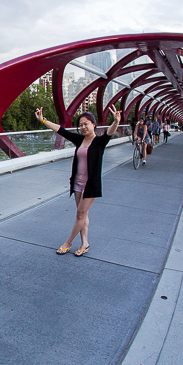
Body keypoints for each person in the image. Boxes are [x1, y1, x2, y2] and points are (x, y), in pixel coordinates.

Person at [35, 105, 121, 257]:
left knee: (80, 214)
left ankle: (68, 243)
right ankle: (84, 243)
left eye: (86, 123)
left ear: (93, 124)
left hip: (91, 185)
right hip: (77, 183)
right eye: (80, 125)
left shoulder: (99, 142)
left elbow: (110, 132)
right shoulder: (80, 140)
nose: (82, 127)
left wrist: (116, 122)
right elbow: (61, 130)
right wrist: (43, 121)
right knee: (83, 214)